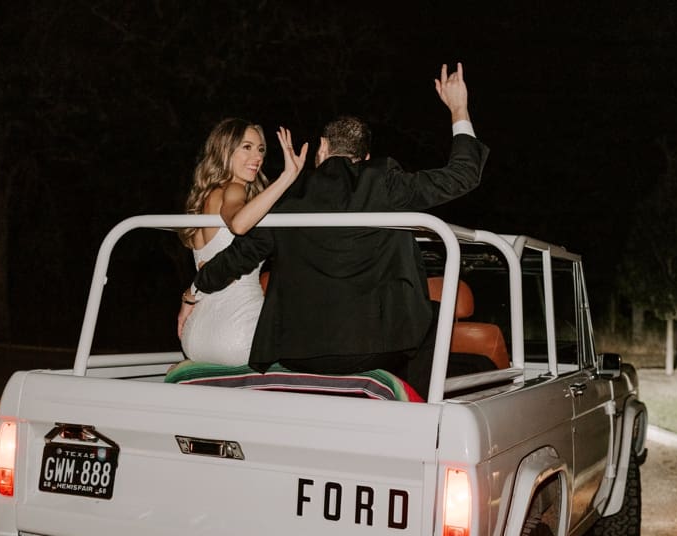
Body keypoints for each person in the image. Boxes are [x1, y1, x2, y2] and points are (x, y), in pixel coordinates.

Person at [194, 63, 487, 395]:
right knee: (433, 314)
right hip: (370, 350)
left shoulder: (286, 196)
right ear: (366, 157)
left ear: (322, 148)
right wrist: (459, 108)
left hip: (294, 352)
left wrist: (194, 290)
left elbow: (234, 260)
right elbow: (463, 175)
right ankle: (416, 407)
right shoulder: (384, 183)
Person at [174, 119, 306, 366]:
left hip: (195, 337)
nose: (257, 157)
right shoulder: (234, 189)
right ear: (225, 150)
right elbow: (238, 223)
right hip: (238, 334)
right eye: (247, 147)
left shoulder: (207, 197)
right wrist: (287, 177)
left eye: (261, 149)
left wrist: (188, 297)